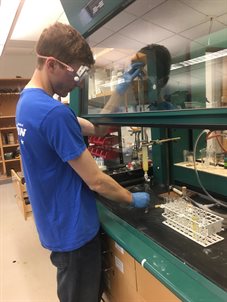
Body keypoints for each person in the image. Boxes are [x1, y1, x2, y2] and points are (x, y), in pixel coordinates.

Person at [16, 22, 150, 302]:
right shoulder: (53, 113)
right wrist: (130, 198)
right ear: (51, 64)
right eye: (76, 73)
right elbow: (96, 180)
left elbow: (96, 128)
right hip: (73, 231)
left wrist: (121, 89)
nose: (78, 82)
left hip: (56, 223)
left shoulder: (28, 102)